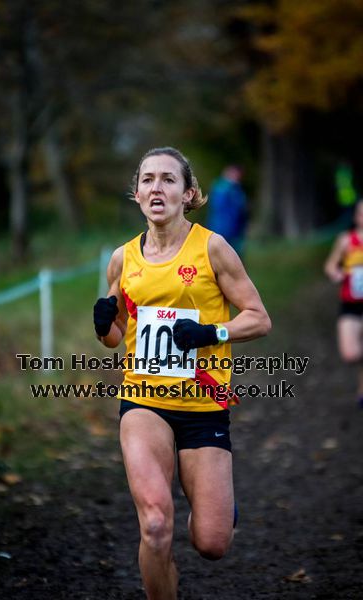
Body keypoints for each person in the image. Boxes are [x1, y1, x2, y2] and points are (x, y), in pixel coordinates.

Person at [93, 147, 271, 600]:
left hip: (203, 404)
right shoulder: (122, 259)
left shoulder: (213, 248)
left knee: (212, 543)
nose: (157, 187)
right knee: (154, 524)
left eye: (168, 180)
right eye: (148, 179)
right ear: (136, 194)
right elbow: (116, 335)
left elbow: (258, 317)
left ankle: (218, 504)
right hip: (144, 402)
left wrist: (209, 330)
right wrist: (104, 326)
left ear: (188, 194)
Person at [324, 199, 363, 407]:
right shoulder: (346, 240)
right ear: (356, 216)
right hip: (350, 303)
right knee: (350, 354)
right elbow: (330, 266)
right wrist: (336, 273)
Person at [206, 164, 248, 258]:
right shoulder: (222, 188)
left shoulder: (237, 189)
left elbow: (241, 212)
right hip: (222, 230)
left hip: (235, 232)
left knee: (234, 259)